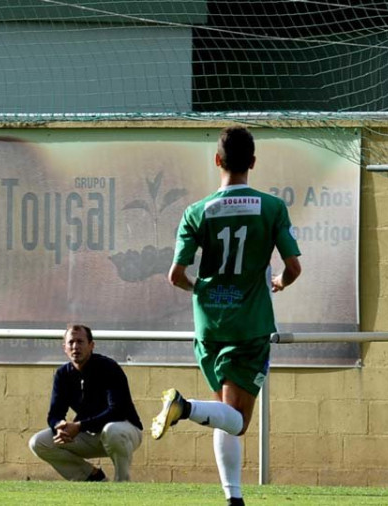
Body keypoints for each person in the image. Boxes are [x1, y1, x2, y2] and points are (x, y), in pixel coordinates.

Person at [151, 126, 302, 506]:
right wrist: (281, 281)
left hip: (208, 325)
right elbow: (294, 266)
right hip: (248, 325)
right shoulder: (271, 207)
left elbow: (176, 276)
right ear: (252, 163)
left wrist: (199, 289)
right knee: (237, 420)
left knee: (222, 413)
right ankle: (184, 407)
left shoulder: (196, 211)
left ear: (217, 160)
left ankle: (233, 497)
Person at [28, 324, 143, 482]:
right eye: (71, 342)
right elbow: (54, 414)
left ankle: (122, 482)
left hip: (124, 431)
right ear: (65, 348)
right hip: (88, 436)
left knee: (112, 430)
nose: (75, 347)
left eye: (80, 342)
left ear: (91, 345)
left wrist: (80, 426)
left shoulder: (108, 367)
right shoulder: (63, 374)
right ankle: (92, 477)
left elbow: (116, 410)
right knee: (38, 442)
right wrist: (59, 426)